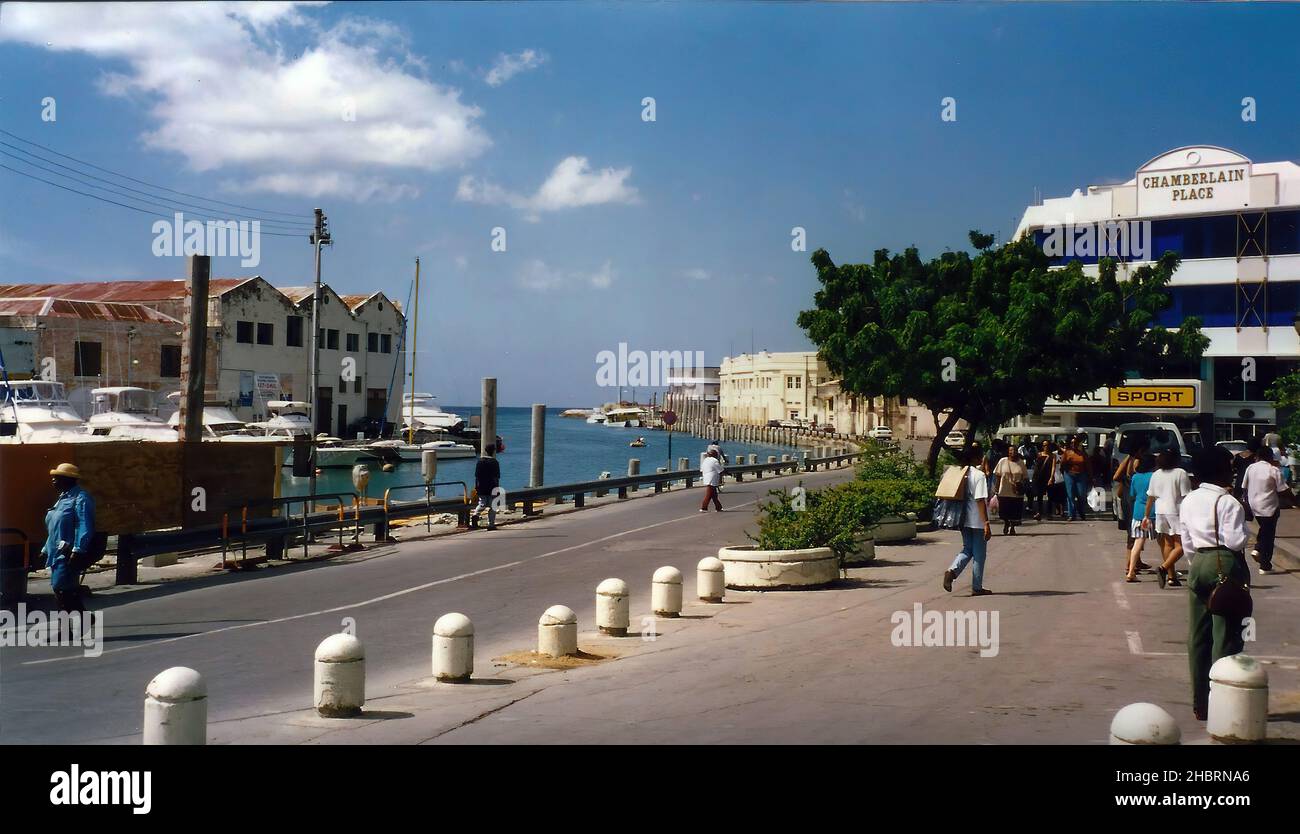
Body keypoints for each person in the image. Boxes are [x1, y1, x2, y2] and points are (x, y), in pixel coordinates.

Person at [1180, 446, 1250, 722]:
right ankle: (1221, 697)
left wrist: (1196, 564)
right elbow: (1236, 541)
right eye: (1229, 466)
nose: (1232, 471)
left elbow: (1185, 539)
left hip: (1198, 561)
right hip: (1226, 562)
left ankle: (1200, 703)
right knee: (1227, 635)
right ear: (1220, 471)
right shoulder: (1229, 502)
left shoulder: (1190, 499)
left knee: (1197, 636)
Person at [43, 463, 95, 614]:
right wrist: (46, 548)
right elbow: (55, 526)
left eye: (57, 478)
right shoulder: (62, 499)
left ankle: (66, 628)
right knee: (63, 589)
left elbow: (84, 525)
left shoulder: (81, 498)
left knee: (60, 588)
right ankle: (84, 618)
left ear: (68, 479)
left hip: (68, 552)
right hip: (55, 552)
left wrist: (78, 549)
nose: (53, 481)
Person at [942, 446, 994, 596]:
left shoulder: (960, 472)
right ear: (976, 458)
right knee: (979, 554)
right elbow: (980, 500)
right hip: (977, 520)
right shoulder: (979, 475)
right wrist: (986, 523)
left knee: (967, 549)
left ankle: (952, 571)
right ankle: (977, 587)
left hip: (961, 518)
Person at [1143, 448, 1192, 588]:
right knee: (1182, 545)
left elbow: (1150, 496)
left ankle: (1171, 576)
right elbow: (1186, 495)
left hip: (1160, 511)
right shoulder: (1180, 473)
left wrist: (1146, 516)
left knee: (1167, 544)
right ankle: (1164, 568)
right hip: (1176, 511)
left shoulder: (1156, 474)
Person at [1243, 445, 1290, 574]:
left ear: (1257, 456)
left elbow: (1244, 486)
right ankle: (1265, 565)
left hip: (1254, 506)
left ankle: (1258, 548)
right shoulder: (1273, 470)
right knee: (1269, 535)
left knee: (1264, 528)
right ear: (1270, 457)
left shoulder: (1251, 468)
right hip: (1269, 506)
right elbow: (1283, 489)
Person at [1124, 454, 1157, 582]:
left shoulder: (1135, 477)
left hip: (1137, 512)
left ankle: (1131, 571)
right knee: (1164, 542)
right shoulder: (1154, 476)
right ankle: (1169, 569)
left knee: (1138, 541)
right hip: (1153, 512)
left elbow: (1132, 494)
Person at [993, 443, 1027, 535]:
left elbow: (1025, 477)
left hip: (1016, 492)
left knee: (1015, 511)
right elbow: (998, 476)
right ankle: (1006, 523)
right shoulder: (1002, 461)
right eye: (1011, 450)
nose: (1013, 452)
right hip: (1004, 491)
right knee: (1004, 511)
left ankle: (1012, 527)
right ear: (1008, 452)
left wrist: (1021, 485)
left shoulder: (1021, 463)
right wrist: (996, 490)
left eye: (1015, 450)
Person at [1060, 435, 1092, 521]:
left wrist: (1091, 477)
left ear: (1078, 443)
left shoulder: (1083, 454)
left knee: (1081, 495)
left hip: (1081, 475)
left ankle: (1081, 512)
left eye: (1075, 443)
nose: (1073, 444)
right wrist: (1065, 472)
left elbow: (1088, 465)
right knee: (1070, 495)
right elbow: (1062, 464)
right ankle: (1071, 514)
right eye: (1072, 443)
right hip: (1069, 475)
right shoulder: (1067, 453)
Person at [472, 451, 501, 530]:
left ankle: (476, 514)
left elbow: (476, 476)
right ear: (493, 451)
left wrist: (476, 487)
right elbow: (496, 477)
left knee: (482, 503)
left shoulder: (480, 462)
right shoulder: (494, 462)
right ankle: (491, 524)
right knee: (493, 506)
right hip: (492, 487)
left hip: (481, 486)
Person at [1031, 440, 1054, 521]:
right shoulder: (1039, 454)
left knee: (1050, 496)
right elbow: (1036, 466)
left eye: (1047, 445)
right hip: (1039, 477)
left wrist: (1051, 478)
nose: (1046, 447)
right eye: (1044, 445)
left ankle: (1049, 513)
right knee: (1039, 496)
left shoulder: (1052, 455)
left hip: (1048, 477)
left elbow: (1053, 468)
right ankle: (1039, 513)